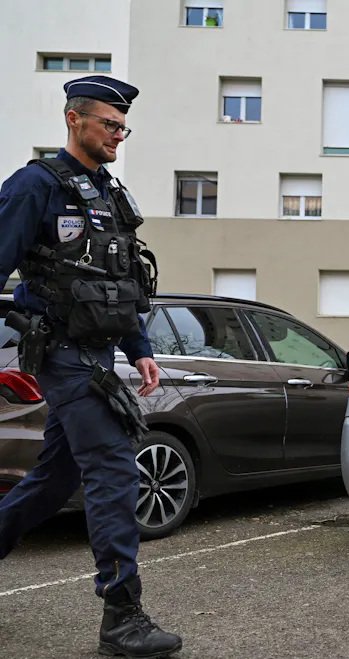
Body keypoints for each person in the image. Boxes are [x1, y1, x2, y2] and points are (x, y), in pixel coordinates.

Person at [0, 76, 182, 658]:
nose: (118, 135)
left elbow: (121, 282)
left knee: (55, 480)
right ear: (73, 119)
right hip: (62, 353)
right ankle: (122, 617)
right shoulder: (35, 185)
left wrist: (141, 348)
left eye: (124, 127)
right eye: (109, 124)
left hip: (100, 353)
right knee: (114, 470)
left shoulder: (108, 192)